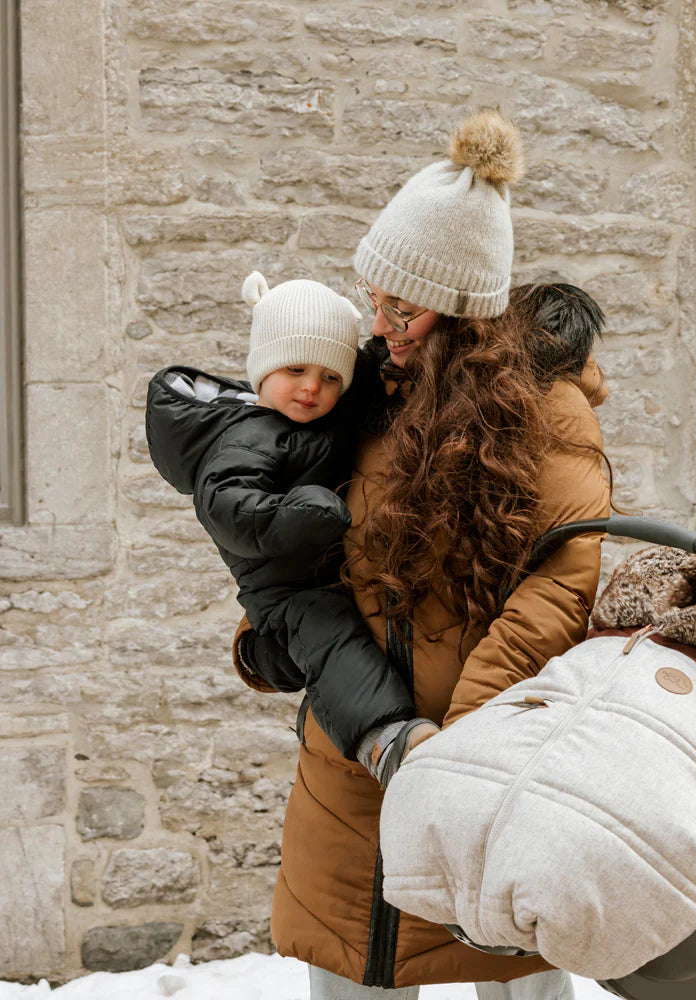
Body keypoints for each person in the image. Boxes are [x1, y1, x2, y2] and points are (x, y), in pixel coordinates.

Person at [232, 108, 612, 1000]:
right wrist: (268, 633)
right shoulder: (366, 395)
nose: (382, 322)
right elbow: (303, 532)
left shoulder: (545, 412)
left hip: (488, 759)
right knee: (355, 966)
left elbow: (565, 576)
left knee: (516, 968)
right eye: (377, 298)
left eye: (403, 307)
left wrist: (463, 736)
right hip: (357, 752)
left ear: (464, 313)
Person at [145, 274, 419, 758]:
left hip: (320, 569)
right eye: (295, 369)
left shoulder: (311, 418)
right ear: (264, 368)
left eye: (330, 377)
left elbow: (355, 403)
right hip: (285, 591)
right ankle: (386, 740)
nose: (312, 388)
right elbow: (228, 506)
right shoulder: (246, 436)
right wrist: (301, 512)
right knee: (327, 632)